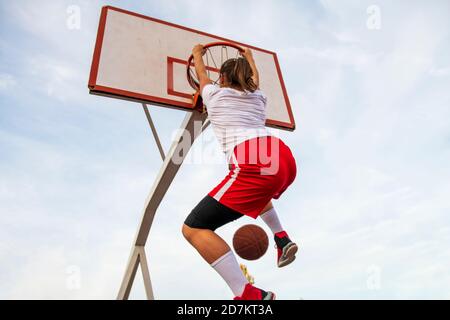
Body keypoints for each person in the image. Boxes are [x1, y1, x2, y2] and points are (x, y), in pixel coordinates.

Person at [182, 44, 298, 300]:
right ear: (247, 78)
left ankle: (246, 293)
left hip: (252, 160)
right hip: (283, 158)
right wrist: (250, 58)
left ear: (221, 78)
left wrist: (198, 54)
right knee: (257, 191)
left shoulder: (213, 94)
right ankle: (281, 238)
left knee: (193, 228)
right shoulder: (259, 97)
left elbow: (201, 75)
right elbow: (255, 79)